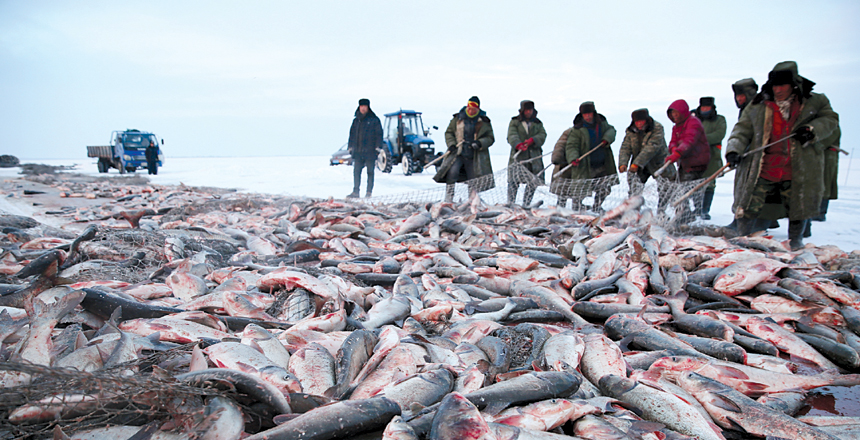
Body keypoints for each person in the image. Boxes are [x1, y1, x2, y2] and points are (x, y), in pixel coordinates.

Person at [725, 61, 838, 250]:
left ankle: (795, 241)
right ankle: (742, 240)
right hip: (765, 166)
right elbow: (742, 130)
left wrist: (811, 130)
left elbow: (830, 119)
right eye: (775, 85)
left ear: (794, 84)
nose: (778, 90)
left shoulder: (815, 101)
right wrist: (734, 150)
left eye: (782, 85)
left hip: (799, 167)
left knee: (799, 204)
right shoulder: (758, 105)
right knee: (748, 203)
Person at [433, 96, 495, 202]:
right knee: (452, 173)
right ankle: (448, 199)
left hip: (474, 156)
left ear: (478, 109)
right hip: (458, 153)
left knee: (473, 179)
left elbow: (490, 138)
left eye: (474, 109)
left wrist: (480, 143)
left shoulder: (484, 121)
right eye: (469, 108)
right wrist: (451, 144)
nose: (471, 111)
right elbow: (449, 133)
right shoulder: (457, 118)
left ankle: (471, 201)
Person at [618, 108, 676, 211]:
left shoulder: (657, 128)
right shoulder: (631, 131)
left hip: (659, 163)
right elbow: (625, 147)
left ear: (647, 120)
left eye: (641, 121)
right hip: (640, 167)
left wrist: (636, 163)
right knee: (634, 189)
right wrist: (623, 163)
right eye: (637, 122)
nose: (639, 124)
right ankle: (633, 212)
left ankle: (661, 212)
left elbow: (652, 147)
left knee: (666, 189)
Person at [564, 101, 617, 212]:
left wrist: (607, 138)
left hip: (602, 163)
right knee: (580, 189)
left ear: (593, 113)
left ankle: (597, 207)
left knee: (605, 188)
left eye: (589, 113)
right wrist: (573, 158)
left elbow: (611, 130)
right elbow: (571, 146)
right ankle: (577, 208)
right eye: (585, 114)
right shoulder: (577, 129)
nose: (587, 116)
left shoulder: (602, 124)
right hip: (585, 165)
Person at [664, 99, 710, 220]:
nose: (674, 116)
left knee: (686, 189)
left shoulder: (693, 122)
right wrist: (673, 149)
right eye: (672, 114)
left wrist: (677, 153)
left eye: (676, 113)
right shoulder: (676, 127)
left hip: (696, 162)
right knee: (680, 188)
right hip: (685, 162)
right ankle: (685, 213)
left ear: (683, 112)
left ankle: (689, 214)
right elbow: (673, 141)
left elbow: (689, 142)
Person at [506, 100, 547, 207]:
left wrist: (533, 140)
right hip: (518, 157)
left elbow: (542, 135)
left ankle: (526, 204)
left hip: (533, 159)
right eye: (526, 110)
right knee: (513, 181)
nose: (528, 112)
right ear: (522, 110)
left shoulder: (538, 123)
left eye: (530, 110)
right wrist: (518, 144)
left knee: (532, 182)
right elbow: (511, 135)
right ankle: (510, 204)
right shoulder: (515, 122)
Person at [693, 97, 726, 220]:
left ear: (712, 108)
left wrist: (700, 140)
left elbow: (719, 134)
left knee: (710, 183)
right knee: (695, 182)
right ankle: (697, 208)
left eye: (707, 107)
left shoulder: (720, 120)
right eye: (703, 107)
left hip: (712, 156)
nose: (705, 109)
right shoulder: (694, 119)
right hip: (695, 156)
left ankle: (705, 210)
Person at [347, 98, 382, 198]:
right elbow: (352, 135)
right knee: (356, 172)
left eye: (365, 106)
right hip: (358, 151)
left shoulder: (374, 120)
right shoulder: (356, 121)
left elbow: (379, 135)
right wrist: (350, 147)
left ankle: (368, 192)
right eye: (361, 106)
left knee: (370, 172)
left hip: (370, 151)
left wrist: (378, 147)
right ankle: (355, 191)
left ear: (368, 107)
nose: (363, 108)